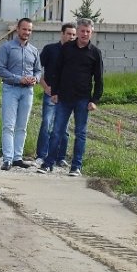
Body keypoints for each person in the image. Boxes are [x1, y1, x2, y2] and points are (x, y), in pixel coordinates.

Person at [36, 18, 103, 177]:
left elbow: (99, 79)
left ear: (91, 32)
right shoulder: (66, 49)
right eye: (82, 31)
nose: (84, 34)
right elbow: (57, 72)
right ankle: (48, 163)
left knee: (80, 133)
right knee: (57, 131)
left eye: (88, 31)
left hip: (83, 99)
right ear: (78, 31)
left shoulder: (95, 53)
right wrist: (54, 93)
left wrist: (94, 100)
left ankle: (76, 166)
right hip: (64, 98)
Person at [0, 18, 41, 170]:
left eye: (29, 30)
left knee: (22, 126)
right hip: (10, 89)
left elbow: (38, 70)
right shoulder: (6, 48)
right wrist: (19, 79)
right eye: (24, 29)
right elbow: (0, 70)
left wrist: (36, 79)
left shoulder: (34, 51)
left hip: (28, 91)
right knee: (8, 125)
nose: (27, 32)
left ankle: (18, 158)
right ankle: (7, 159)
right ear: (17, 29)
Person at [35, 22, 76, 167]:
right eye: (69, 34)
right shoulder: (50, 49)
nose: (71, 37)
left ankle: (60, 157)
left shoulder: (76, 52)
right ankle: (41, 155)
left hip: (67, 96)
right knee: (47, 123)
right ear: (62, 33)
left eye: (73, 34)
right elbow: (36, 69)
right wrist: (45, 87)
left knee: (64, 128)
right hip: (51, 93)